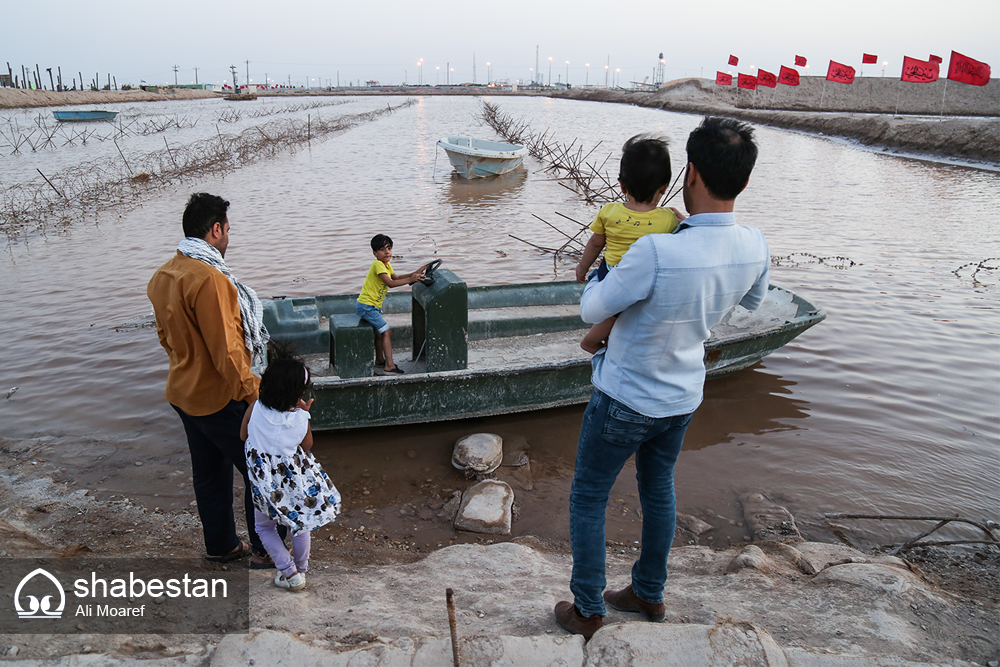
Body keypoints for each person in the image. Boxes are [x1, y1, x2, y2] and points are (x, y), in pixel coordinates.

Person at [554, 117, 771, 640]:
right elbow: (753, 302)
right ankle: (648, 593)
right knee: (658, 491)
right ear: (743, 182)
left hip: (626, 393)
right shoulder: (754, 244)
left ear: (690, 173)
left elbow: (592, 311)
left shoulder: (657, 251)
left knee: (588, 495)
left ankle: (588, 609)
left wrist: (605, 276)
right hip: (681, 395)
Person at [147, 192, 277, 566]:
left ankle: (221, 546)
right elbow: (228, 351)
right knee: (260, 468)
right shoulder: (211, 280)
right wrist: (255, 395)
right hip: (220, 397)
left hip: (183, 392)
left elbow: (165, 338)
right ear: (216, 230)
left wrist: (187, 364)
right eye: (227, 231)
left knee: (209, 475)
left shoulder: (163, 276)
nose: (228, 239)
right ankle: (267, 550)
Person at [241, 343, 341, 592]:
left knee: (264, 526)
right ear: (298, 393)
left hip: (264, 484)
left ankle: (289, 572)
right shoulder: (300, 417)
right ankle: (302, 568)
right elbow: (306, 446)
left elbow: (243, 435)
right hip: (292, 481)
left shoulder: (255, 408)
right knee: (301, 522)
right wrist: (304, 415)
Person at [574, 135, 683, 354]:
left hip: (612, 273)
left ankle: (591, 342)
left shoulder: (609, 211)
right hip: (647, 277)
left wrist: (582, 268)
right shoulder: (670, 218)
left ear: (622, 185)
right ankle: (602, 341)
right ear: (664, 187)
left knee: (613, 313)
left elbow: (595, 243)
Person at [355, 234, 426, 375]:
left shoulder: (386, 265)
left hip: (371, 306)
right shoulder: (377, 265)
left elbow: (397, 277)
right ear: (375, 253)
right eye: (382, 249)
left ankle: (380, 360)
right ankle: (389, 365)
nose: (387, 252)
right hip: (367, 306)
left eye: (389, 248)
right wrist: (411, 279)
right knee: (387, 331)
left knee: (380, 333)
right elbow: (391, 283)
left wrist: (416, 272)